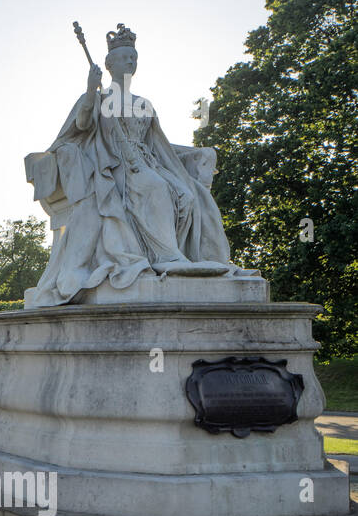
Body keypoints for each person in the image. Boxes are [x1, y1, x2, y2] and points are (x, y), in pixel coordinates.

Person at [27, 23, 250, 307]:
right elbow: (81, 126)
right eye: (124, 57)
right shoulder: (98, 97)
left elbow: (161, 145)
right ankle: (167, 256)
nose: (131, 61)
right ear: (109, 64)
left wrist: (199, 155)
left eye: (134, 56)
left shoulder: (144, 103)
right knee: (155, 187)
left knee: (189, 193)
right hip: (113, 165)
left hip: (148, 161)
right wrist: (90, 90)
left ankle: (195, 258)